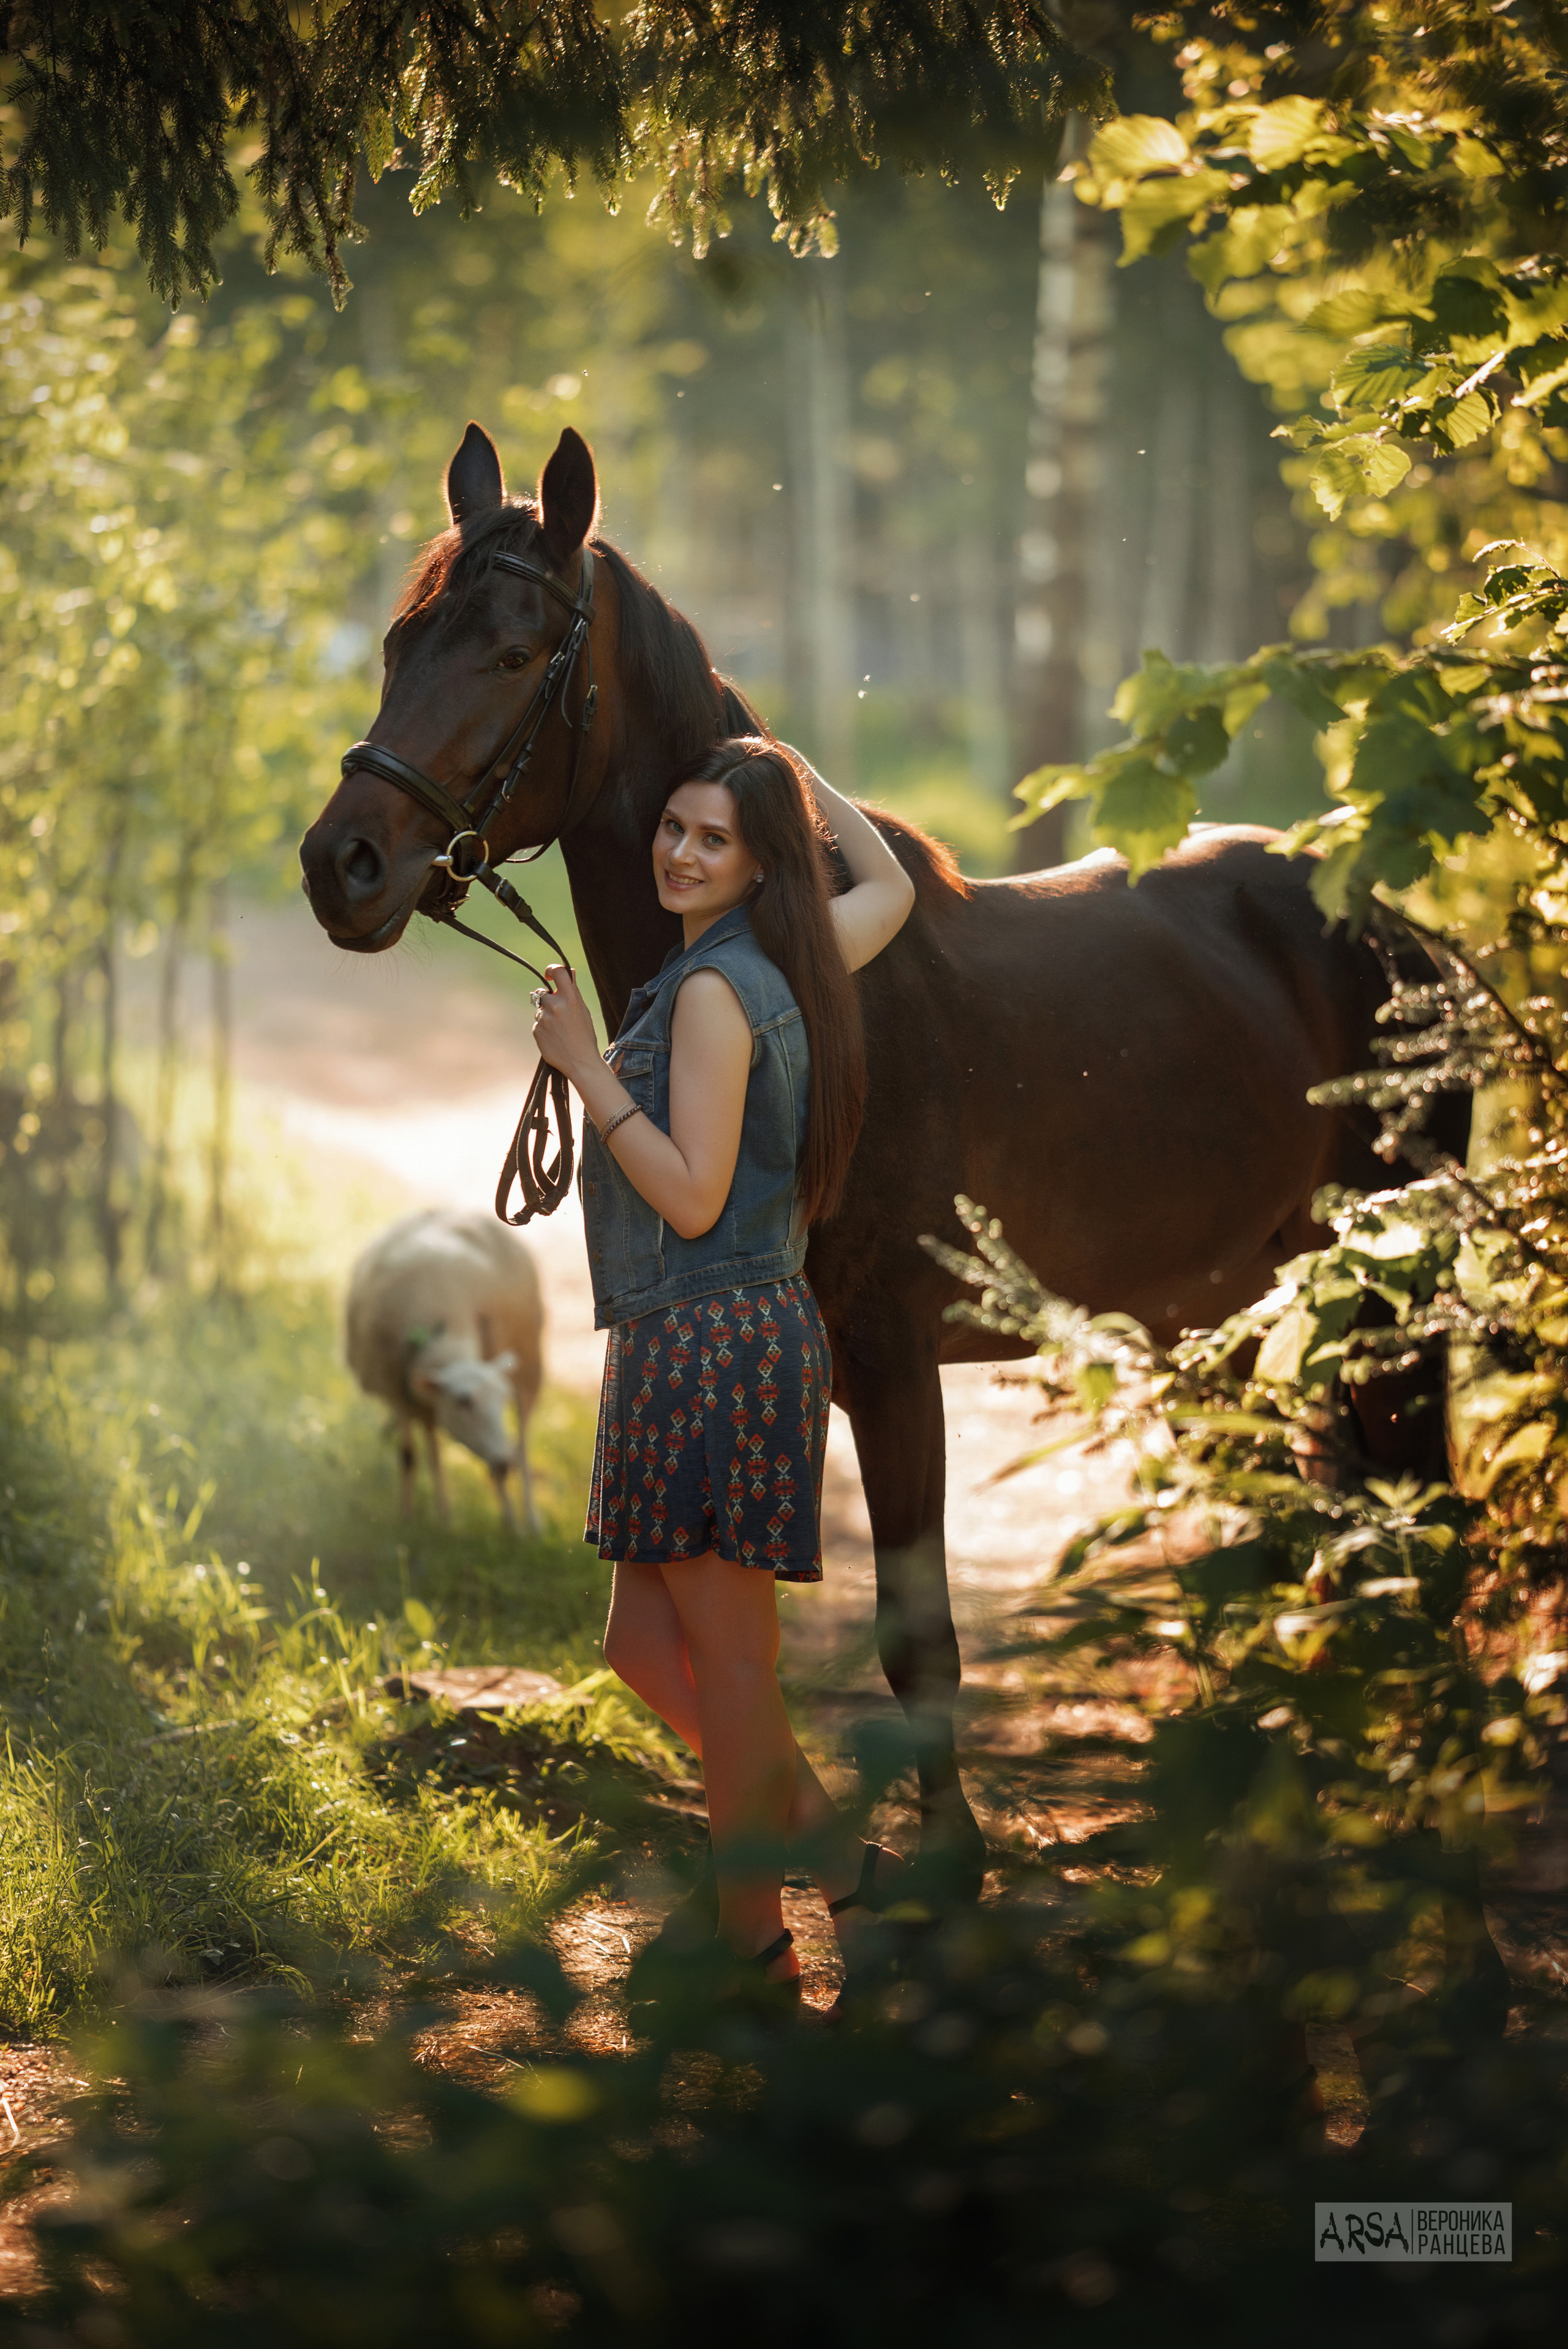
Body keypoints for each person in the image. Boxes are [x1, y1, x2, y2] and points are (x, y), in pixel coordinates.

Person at [530, 735, 916, 1997]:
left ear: (758, 870)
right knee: (645, 1649)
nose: (681, 853)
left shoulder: (713, 991)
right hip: (697, 1338)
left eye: (716, 840)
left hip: (714, 1341)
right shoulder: (786, 959)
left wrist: (587, 1072)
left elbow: (693, 1197)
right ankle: (838, 1861)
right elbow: (890, 889)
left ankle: (752, 1941)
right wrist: (794, 776)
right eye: (677, 827)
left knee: (731, 1667)